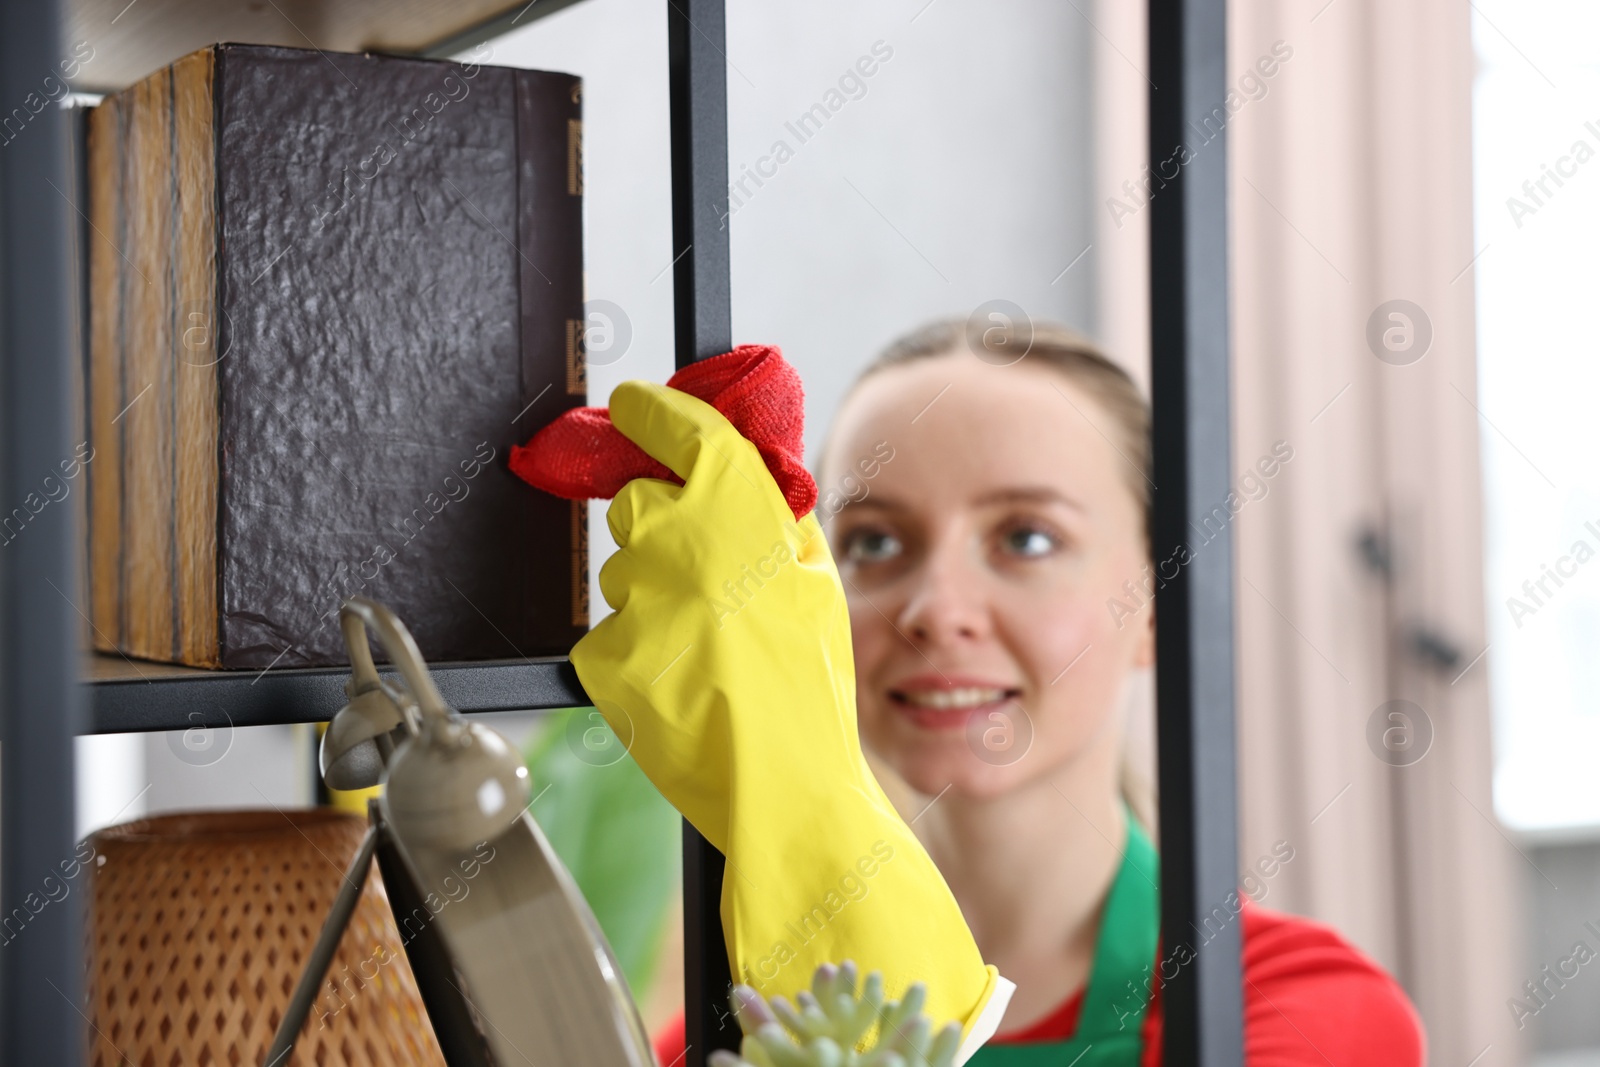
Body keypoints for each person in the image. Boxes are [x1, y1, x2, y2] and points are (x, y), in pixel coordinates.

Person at [652, 320, 1424, 1065]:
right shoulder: (743, 1027)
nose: (936, 610)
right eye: (873, 542)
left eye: (1027, 538)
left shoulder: (1296, 1012)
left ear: (1158, 603)